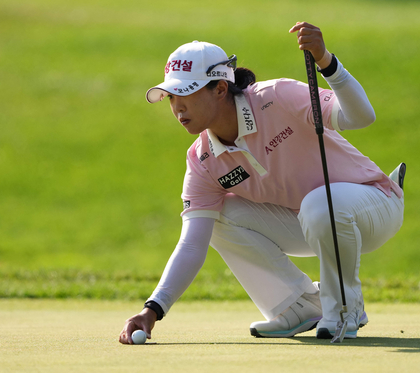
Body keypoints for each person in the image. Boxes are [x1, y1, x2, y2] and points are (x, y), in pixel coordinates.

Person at [119, 22, 404, 344]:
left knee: (319, 204)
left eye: (187, 93)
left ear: (221, 88)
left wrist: (325, 60)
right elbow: (192, 243)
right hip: (307, 221)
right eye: (171, 96)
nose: (177, 107)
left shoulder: (277, 97)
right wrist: (153, 309)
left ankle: (344, 308)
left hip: (374, 205)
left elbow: (361, 117)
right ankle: (297, 306)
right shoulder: (202, 159)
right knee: (218, 216)